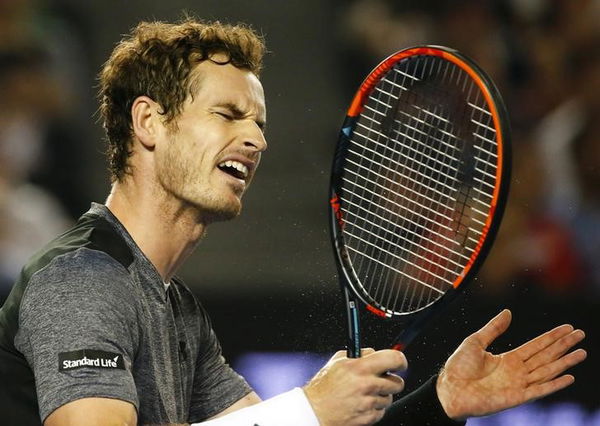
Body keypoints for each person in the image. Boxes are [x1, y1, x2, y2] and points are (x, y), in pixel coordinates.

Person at [0, 18, 586, 426]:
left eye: (259, 123)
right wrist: (307, 408)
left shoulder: (178, 314)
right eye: (228, 114)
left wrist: (440, 404)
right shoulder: (81, 279)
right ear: (150, 122)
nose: (255, 139)